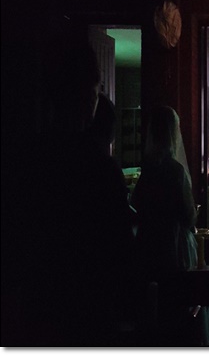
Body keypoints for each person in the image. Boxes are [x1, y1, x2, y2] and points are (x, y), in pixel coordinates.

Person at [12, 38, 135, 346]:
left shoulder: (26, 159)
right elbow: (121, 249)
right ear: (88, 95)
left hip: (35, 310)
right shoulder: (99, 168)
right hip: (91, 309)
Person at [132, 105, 198, 280]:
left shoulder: (147, 171)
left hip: (147, 249)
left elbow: (136, 205)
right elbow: (188, 216)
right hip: (173, 249)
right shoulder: (176, 172)